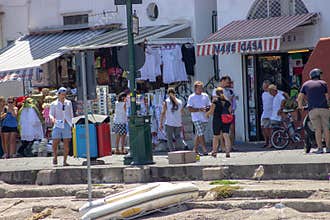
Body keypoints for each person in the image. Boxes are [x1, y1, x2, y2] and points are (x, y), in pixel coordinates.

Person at [298, 68, 330, 154]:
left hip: (312, 110)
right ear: (318, 75)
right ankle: (328, 148)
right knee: (326, 128)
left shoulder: (306, 84)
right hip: (324, 109)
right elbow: (327, 96)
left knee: (317, 129)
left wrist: (300, 106)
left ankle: (320, 148)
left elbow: (300, 97)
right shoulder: (323, 83)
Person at [49, 87, 73, 166]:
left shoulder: (68, 103)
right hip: (58, 123)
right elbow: (51, 114)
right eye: (62, 94)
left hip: (66, 123)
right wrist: (53, 119)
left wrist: (71, 123)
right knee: (55, 141)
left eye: (64, 94)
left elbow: (71, 114)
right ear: (58, 95)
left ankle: (65, 161)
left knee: (66, 142)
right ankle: (55, 156)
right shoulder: (54, 104)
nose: (63, 96)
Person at [206, 87, 232, 158]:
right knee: (226, 135)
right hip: (226, 120)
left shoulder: (215, 101)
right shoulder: (228, 102)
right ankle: (227, 152)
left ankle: (214, 152)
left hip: (217, 120)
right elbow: (230, 112)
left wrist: (207, 114)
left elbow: (211, 111)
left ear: (216, 93)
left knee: (216, 136)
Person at [187, 81, 211, 155]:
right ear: (195, 88)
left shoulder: (205, 96)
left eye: (201, 87)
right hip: (196, 118)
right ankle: (204, 149)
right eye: (199, 87)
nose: (201, 89)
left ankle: (195, 149)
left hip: (204, 117)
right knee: (201, 133)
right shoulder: (191, 97)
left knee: (199, 133)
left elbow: (209, 105)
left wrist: (206, 109)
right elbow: (189, 108)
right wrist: (199, 109)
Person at [260, 80, 274, 148]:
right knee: (263, 127)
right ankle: (266, 141)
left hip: (271, 113)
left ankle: (271, 142)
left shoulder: (272, 93)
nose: (264, 88)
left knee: (269, 128)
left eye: (266, 86)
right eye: (264, 86)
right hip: (265, 112)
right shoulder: (263, 94)